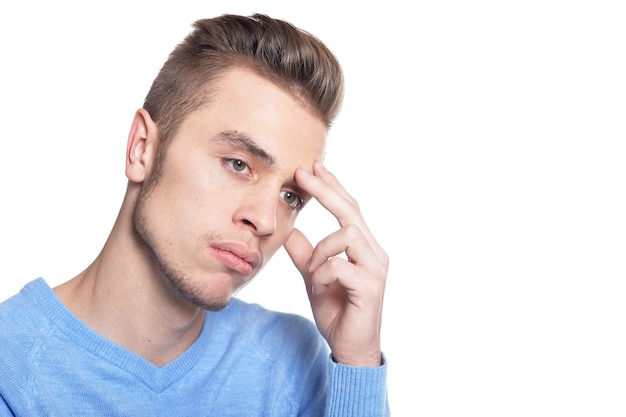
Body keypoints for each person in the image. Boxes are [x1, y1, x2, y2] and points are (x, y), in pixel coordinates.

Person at [0, 13, 389, 416]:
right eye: (238, 164)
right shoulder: (12, 370)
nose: (266, 220)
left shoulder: (292, 365)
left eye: (290, 196)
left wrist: (357, 362)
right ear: (142, 149)